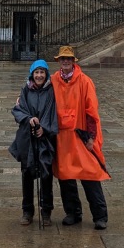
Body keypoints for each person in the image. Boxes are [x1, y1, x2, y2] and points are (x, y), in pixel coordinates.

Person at [51, 45, 109, 230]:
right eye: (63, 59)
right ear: (59, 61)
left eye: (68, 59)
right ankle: (73, 213)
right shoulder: (53, 80)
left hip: (80, 135)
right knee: (65, 176)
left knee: (90, 175)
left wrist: (91, 136)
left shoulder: (85, 81)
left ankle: (100, 216)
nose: (65, 61)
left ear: (73, 61)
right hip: (62, 137)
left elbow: (92, 111)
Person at [9, 59, 58, 227]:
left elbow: (53, 112)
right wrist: (29, 119)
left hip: (45, 139)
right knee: (27, 173)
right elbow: (18, 110)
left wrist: (44, 128)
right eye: (36, 72)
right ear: (32, 74)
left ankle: (46, 211)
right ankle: (27, 210)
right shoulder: (25, 90)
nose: (39, 75)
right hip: (27, 138)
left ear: (46, 74)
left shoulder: (51, 91)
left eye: (42, 72)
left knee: (46, 174)